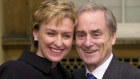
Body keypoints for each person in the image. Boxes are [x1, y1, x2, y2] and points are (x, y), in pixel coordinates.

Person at [0, 0, 76, 79]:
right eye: (51, 34)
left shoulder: (66, 75)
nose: (59, 43)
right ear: (36, 34)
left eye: (66, 36)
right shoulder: (15, 71)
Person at [72, 2, 140, 79]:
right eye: (81, 35)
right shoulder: (74, 76)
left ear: (113, 37)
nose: (88, 43)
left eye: (96, 35)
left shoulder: (134, 76)